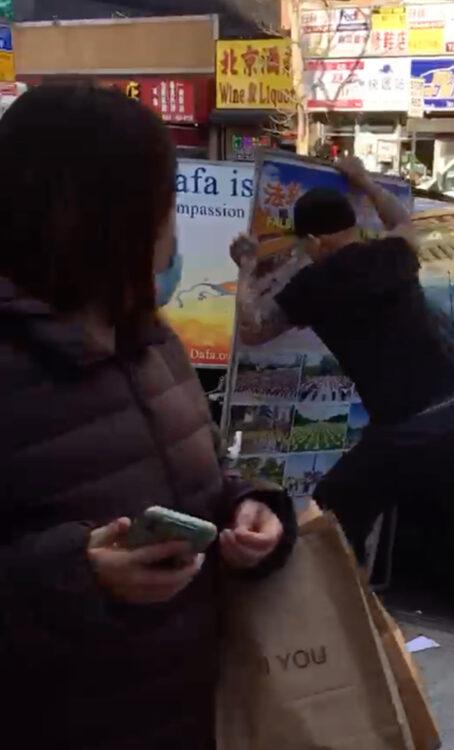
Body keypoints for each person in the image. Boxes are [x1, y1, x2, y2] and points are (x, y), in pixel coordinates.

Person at [230, 157, 454, 706]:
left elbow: (254, 331)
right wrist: (367, 183)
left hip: (402, 431)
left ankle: (338, 634)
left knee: (330, 516)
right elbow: (405, 223)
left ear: (314, 240)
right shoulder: (392, 257)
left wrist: (245, 268)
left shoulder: (314, 284)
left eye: (305, 242)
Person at [0, 84, 296, 749]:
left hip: (189, 711)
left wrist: (252, 511)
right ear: (100, 217)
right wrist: (76, 574)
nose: (173, 227)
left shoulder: (149, 337)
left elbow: (204, 474)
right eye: (162, 203)